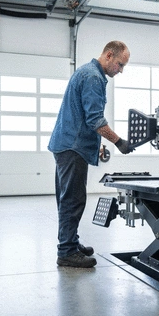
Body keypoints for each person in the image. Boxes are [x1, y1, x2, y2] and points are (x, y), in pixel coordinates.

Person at [48, 41, 133, 268]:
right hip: (72, 148)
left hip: (67, 144)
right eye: (120, 64)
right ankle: (66, 252)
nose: (121, 70)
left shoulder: (86, 71)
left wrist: (98, 146)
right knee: (73, 200)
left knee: (68, 198)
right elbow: (95, 120)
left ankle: (71, 243)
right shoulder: (94, 78)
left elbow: (81, 117)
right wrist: (119, 142)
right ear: (108, 55)